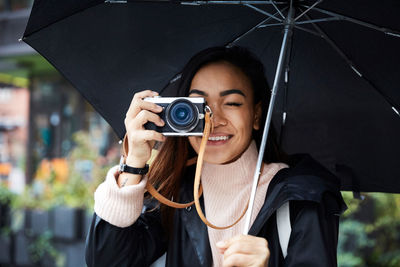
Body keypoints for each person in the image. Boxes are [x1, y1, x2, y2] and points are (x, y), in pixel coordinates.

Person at [85, 46, 346, 267]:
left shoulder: (304, 198)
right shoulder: (178, 195)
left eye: (232, 103)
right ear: (177, 116)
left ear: (256, 115)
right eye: (198, 107)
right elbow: (108, 260)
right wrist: (134, 165)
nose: (214, 120)